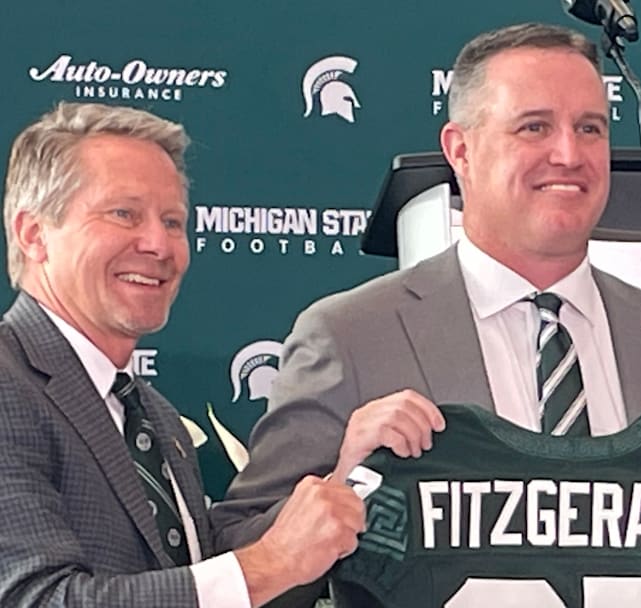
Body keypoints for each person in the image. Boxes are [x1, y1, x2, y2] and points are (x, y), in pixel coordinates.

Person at [212, 22, 641, 607]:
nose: (568, 154)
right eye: (534, 127)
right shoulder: (350, 337)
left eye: (590, 129)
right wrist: (342, 484)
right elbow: (243, 568)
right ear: (461, 150)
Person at [0, 102, 366, 607]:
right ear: (34, 234)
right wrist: (273, 562)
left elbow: (199, 583)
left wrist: (348, 476)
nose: (158, 243)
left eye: (173, 222)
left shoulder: (157, 419)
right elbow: (35, 601)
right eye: (124, 213)